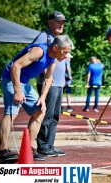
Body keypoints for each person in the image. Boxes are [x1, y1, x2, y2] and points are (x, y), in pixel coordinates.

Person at [0, 34, 74, 163]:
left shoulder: (53, 59)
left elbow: (48, 78)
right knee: (11, 113)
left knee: (39, 112)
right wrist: (17, 91)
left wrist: (42, 98)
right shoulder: (39, 51)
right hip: (11, 78)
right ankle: (2, 152)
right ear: (55, 47)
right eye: (65, 52)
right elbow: (16, 66)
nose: (66, 56)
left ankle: (29, 149)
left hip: (24, 81)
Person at [35, 11, 69, 157]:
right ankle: (42, 146)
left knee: (55, 116)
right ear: (50, 22)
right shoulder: (44, 36)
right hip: (48, 83)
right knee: (47, 115)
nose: (61, 24)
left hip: (58, 84)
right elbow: (35, 52)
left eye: (63, 22)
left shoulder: (60, 38)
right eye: (58, 21)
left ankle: (50, 145)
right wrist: (43, 72)